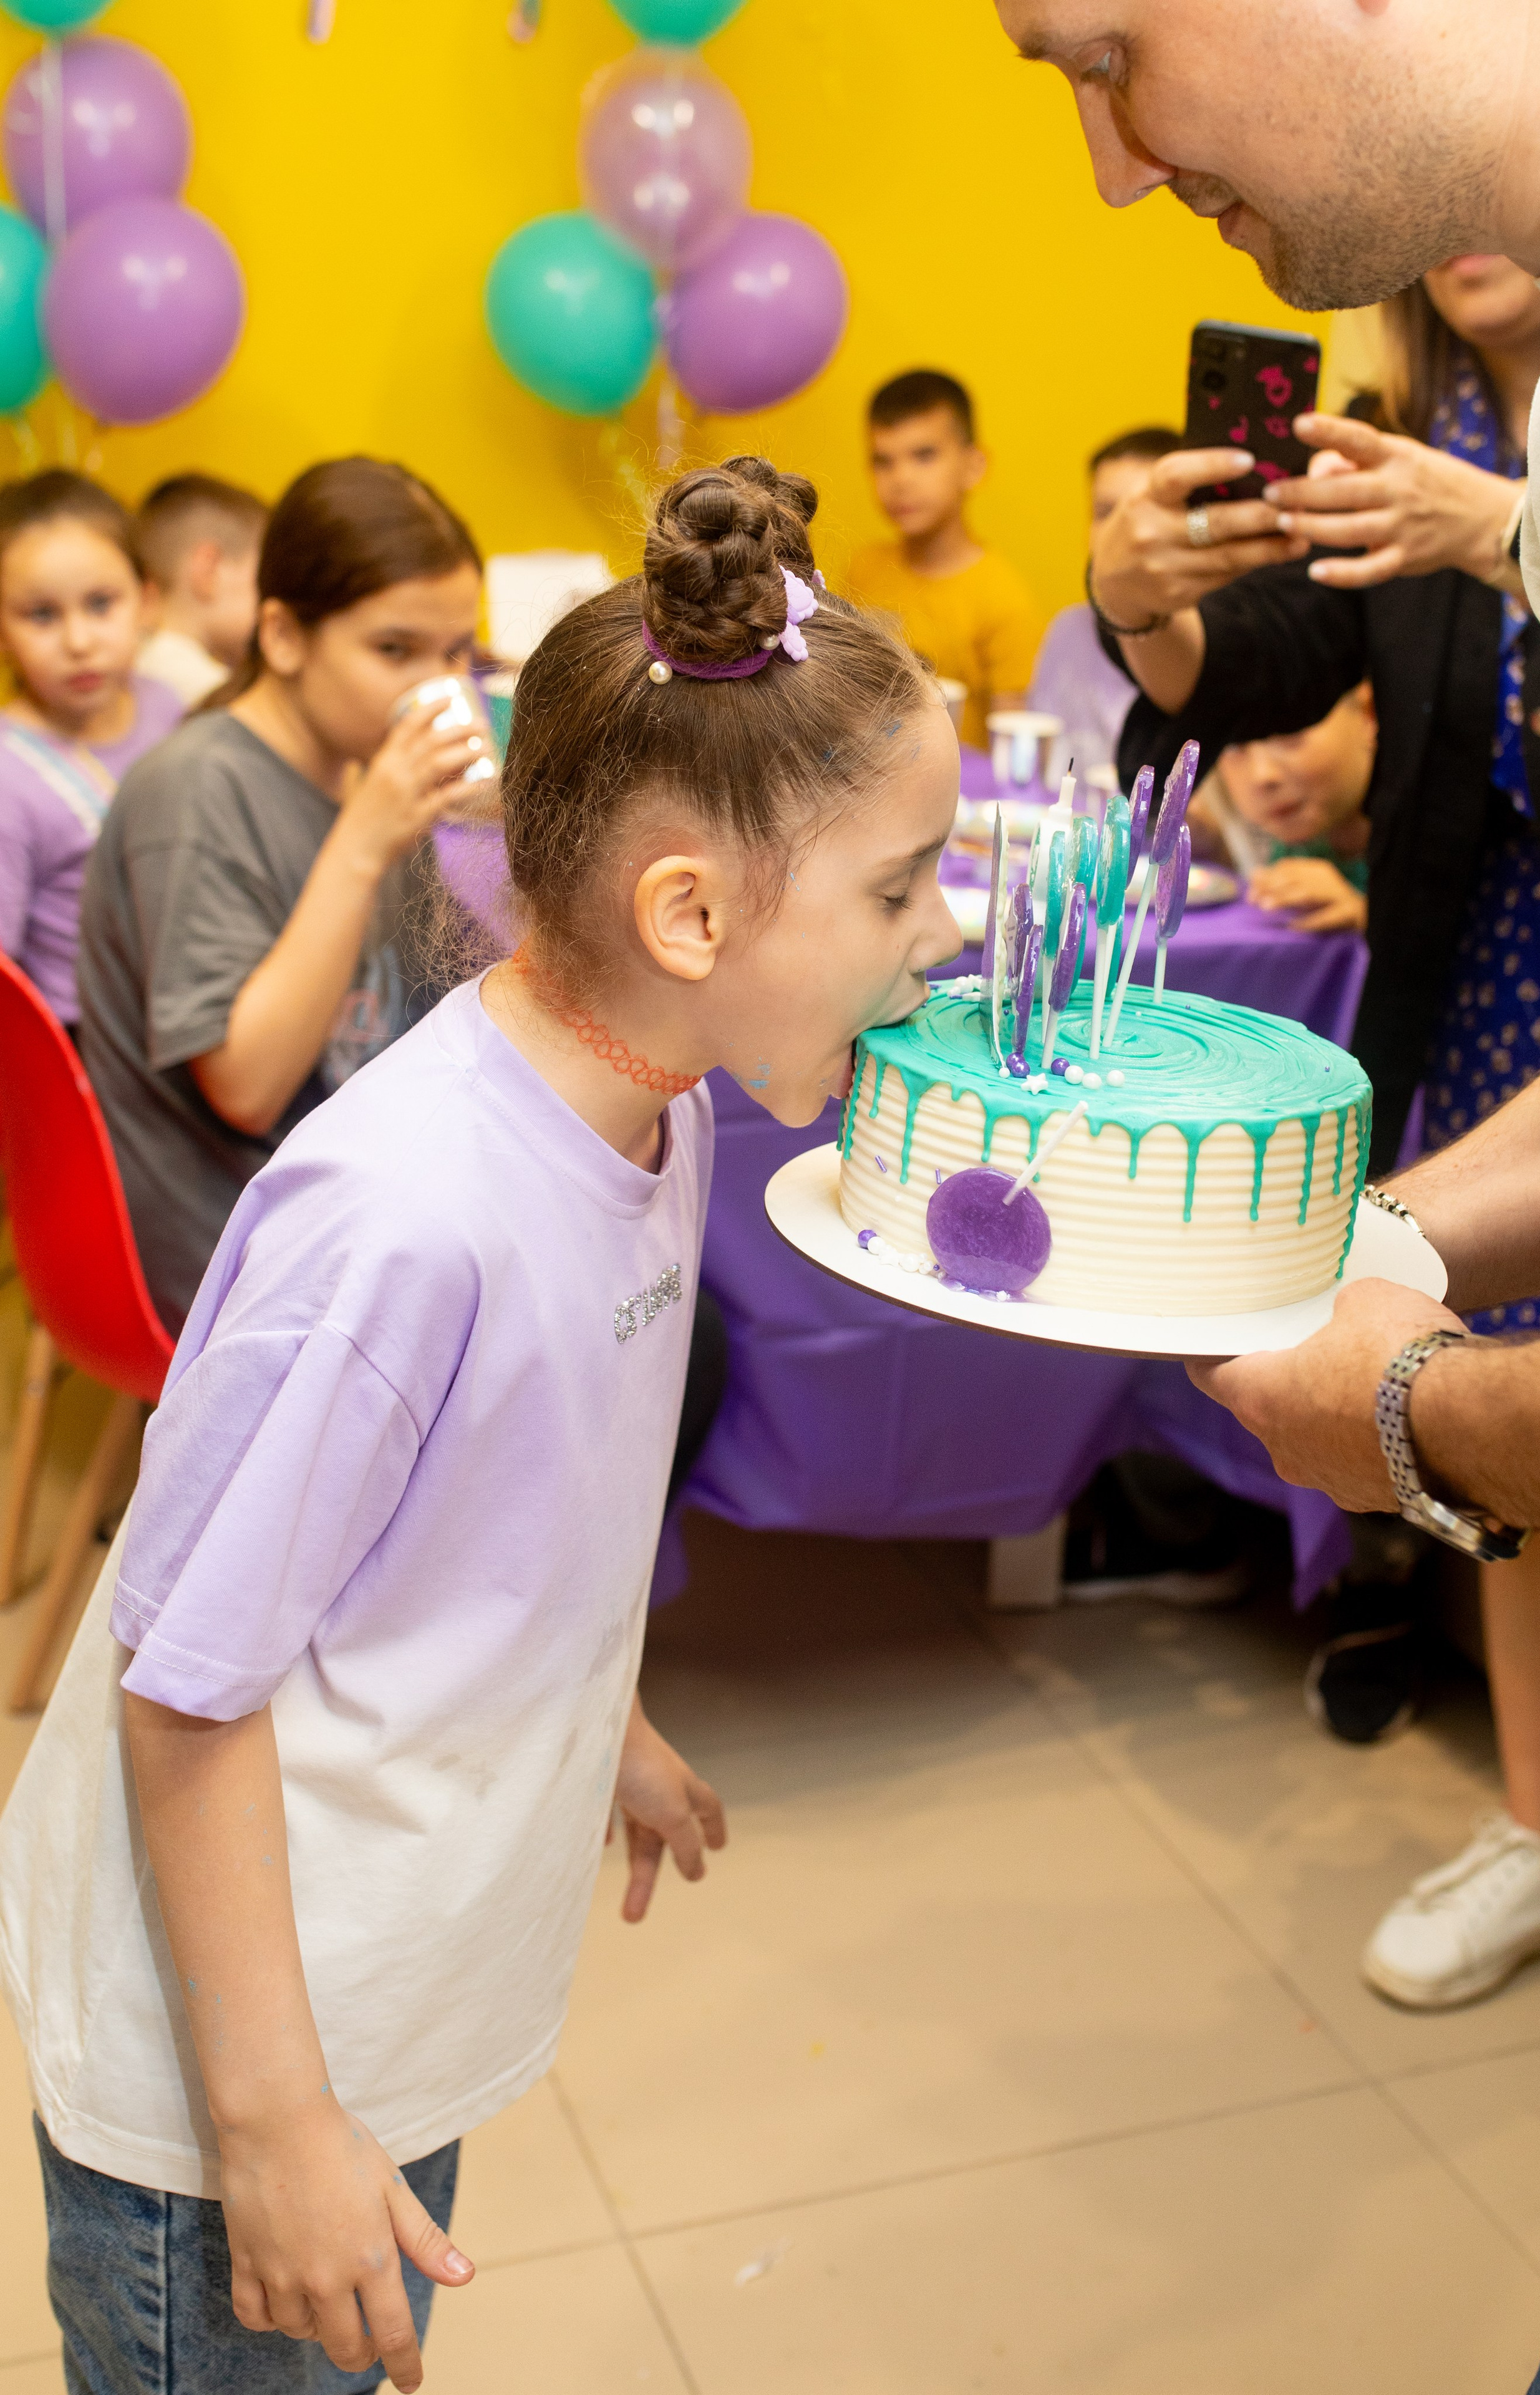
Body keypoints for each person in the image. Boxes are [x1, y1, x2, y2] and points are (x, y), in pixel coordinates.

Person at [0, 452, 962, 2393]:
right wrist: (273, 2132)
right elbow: (186, 1692)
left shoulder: (656, 1102)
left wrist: (591, 1711)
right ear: (688, 911)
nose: (933, 936)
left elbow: (501, 1498)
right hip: (234, 2086)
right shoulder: (403, 1219)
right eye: (898, 884)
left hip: (376, 1993)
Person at [1113, 259, 1540, 1999]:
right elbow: (1257, 665)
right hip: (1487, 998)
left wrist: (1526, 526)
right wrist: (1141, 603)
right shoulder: (1403, 431)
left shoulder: (1529, 445)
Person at [77, 457, 487, 1341]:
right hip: (244, 1239)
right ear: (284, 636)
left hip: (361, 1185)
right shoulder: (196, 792)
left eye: (457, 652)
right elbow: (248, 1087)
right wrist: (365, 839)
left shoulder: (354, 767)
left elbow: (448, 1001)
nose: (440, 686)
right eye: (395, 650)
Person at [0, 471, 181, 1026]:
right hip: (82, 1041)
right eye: (42, 615)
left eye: (101, 604)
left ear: (147, 601)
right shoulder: (9, 775)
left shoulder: (167, 706)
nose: (79, 642)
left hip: (184, 1010)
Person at [848, 367, 1043, 747]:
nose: (901, 478)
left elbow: (1012, 753)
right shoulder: (864, 567)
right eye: (882, 461)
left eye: (924, 455)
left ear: (973, 466)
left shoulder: (1004, 601)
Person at [1028, 425, 1179, 784]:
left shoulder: (1219, 651)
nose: (1119, 532)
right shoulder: (1067, 631)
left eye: (1141, 511)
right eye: (1105, 511)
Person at [1191, 683, 1373, 933]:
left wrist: (1368, 919)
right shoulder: (1295, 840)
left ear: (1369, 714)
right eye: (1233, 746)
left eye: (1290, 731)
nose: (1262, 775)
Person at [135, 472, 268, 708]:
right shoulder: (211, 692)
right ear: (209, 570)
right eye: (263, 578)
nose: (271, 601)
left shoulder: (132, 661)